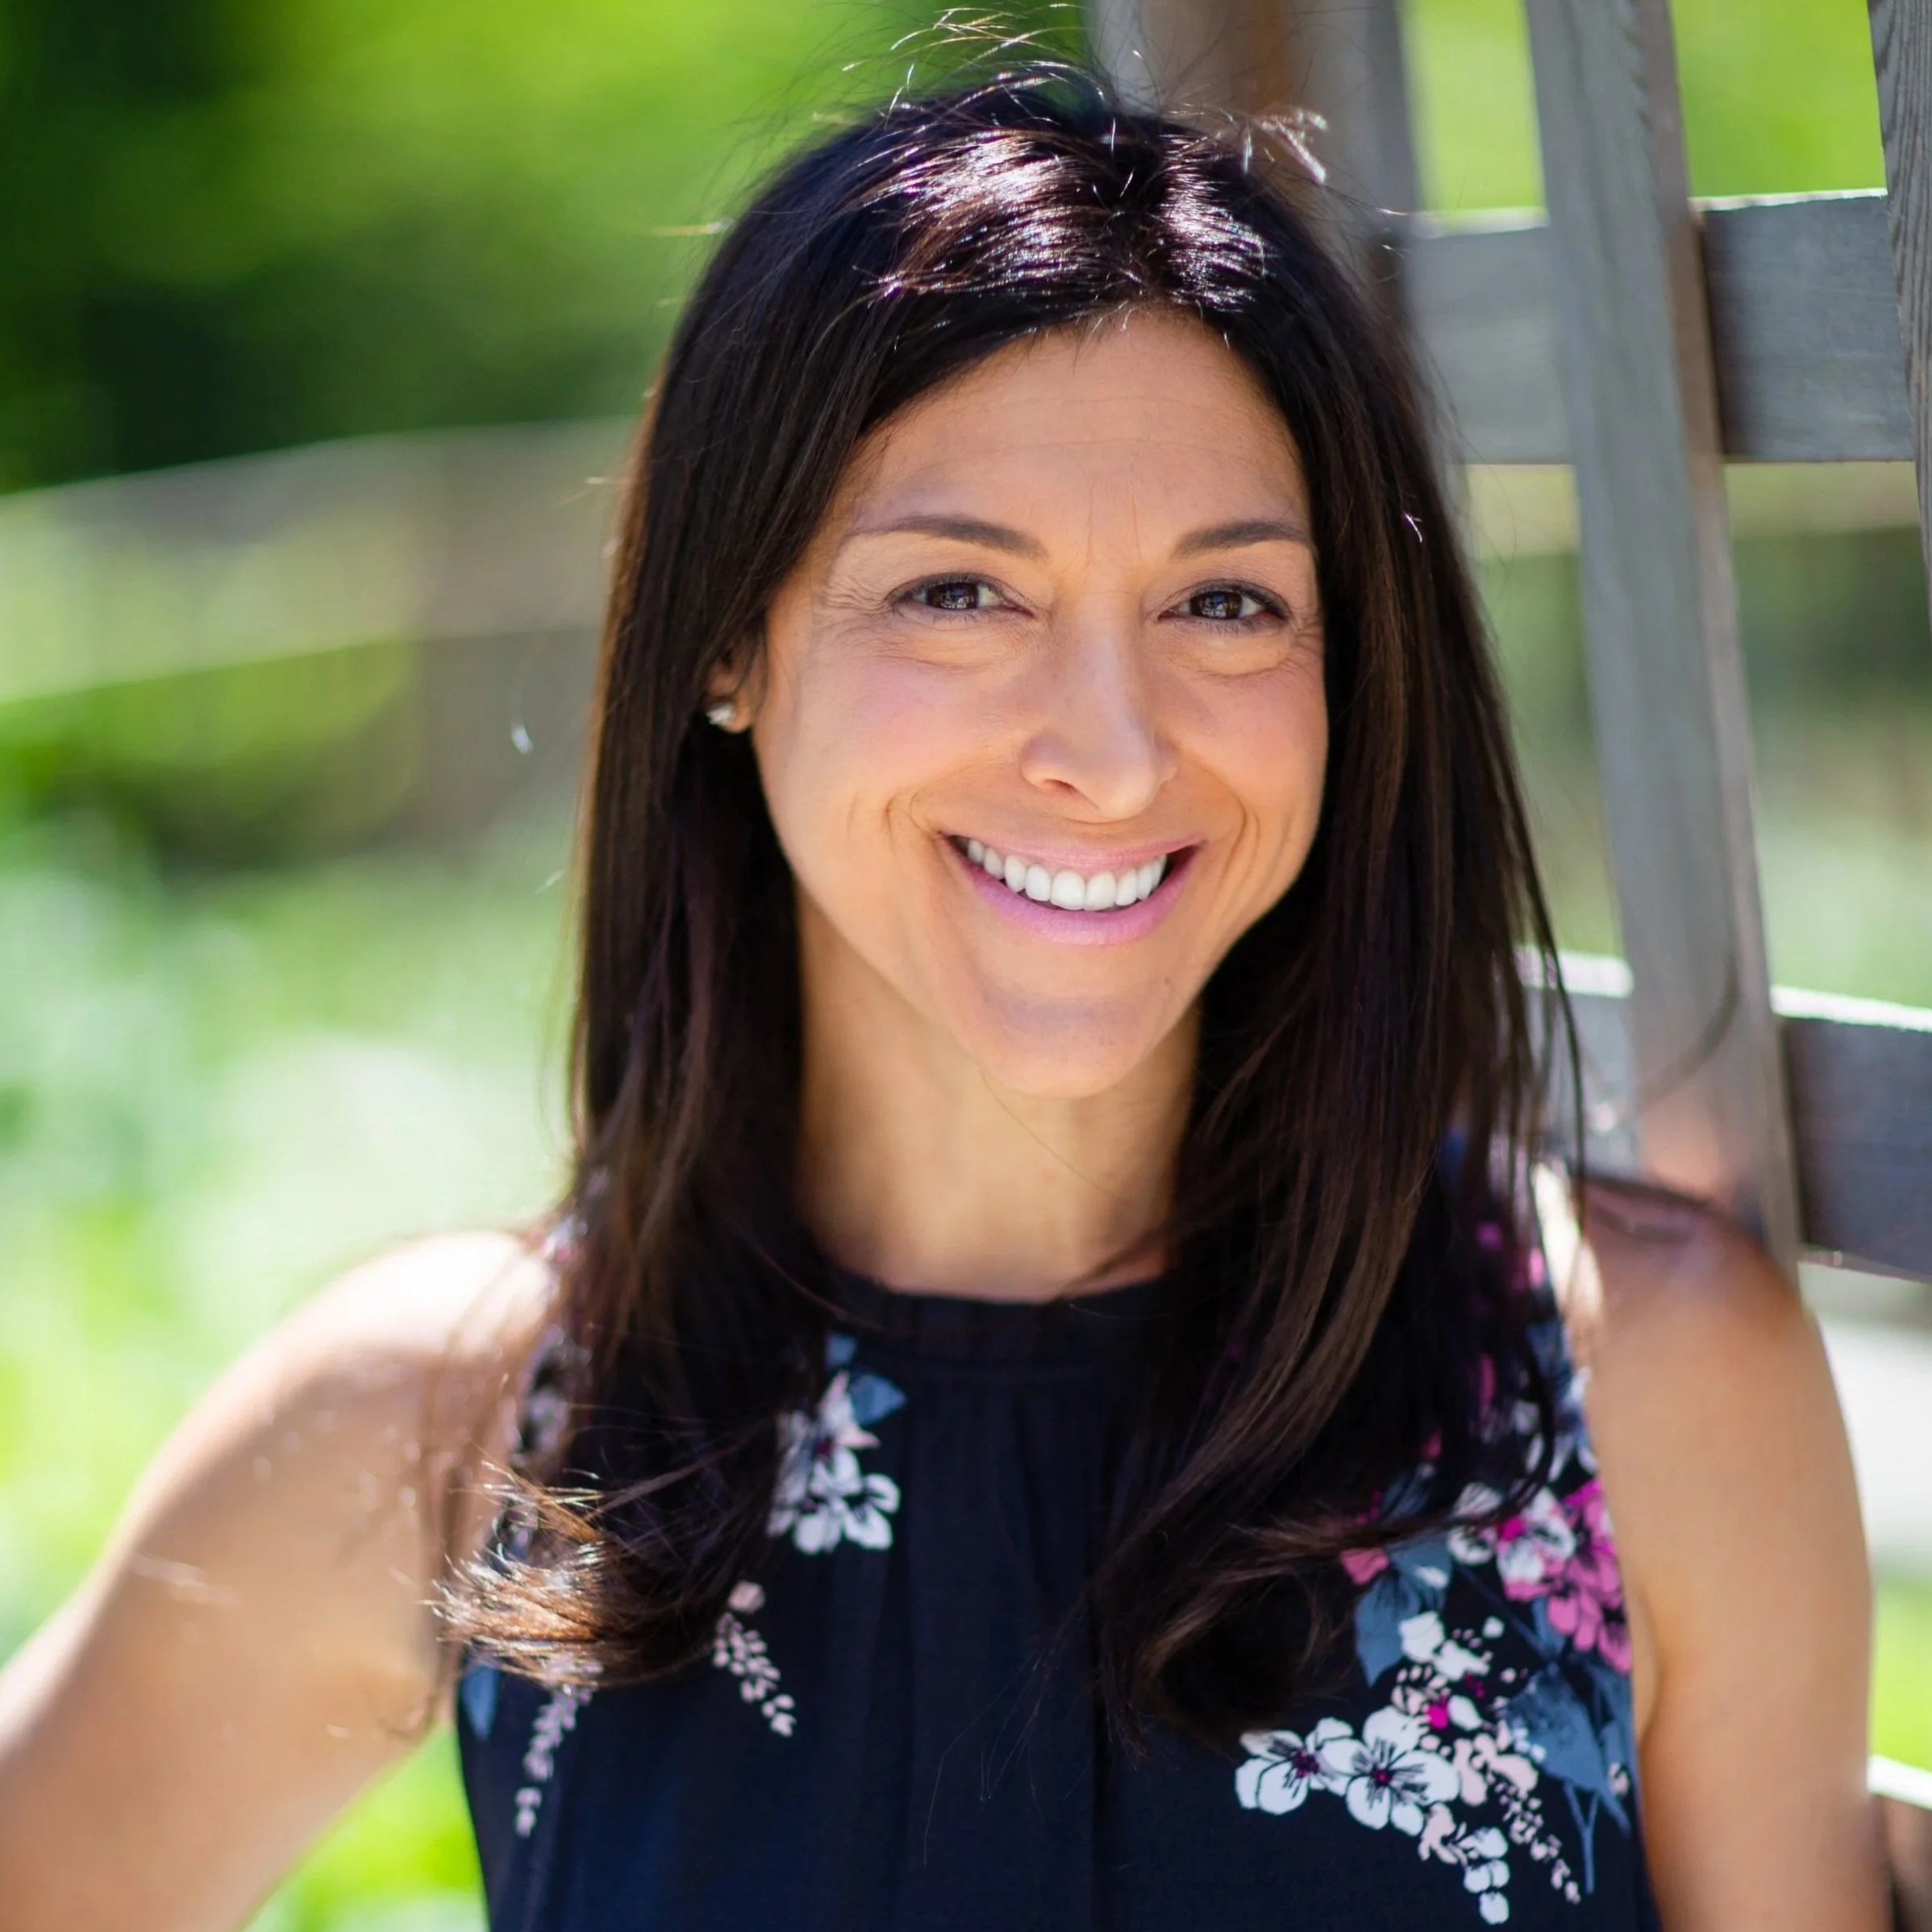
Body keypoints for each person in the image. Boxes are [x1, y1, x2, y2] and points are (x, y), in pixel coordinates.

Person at [0, 67, 1888, 1932]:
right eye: (959, 595)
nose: (1110, 751)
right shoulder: (448, 1421)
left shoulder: (1637, 1388)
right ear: (727, 640)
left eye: (1224, 604)